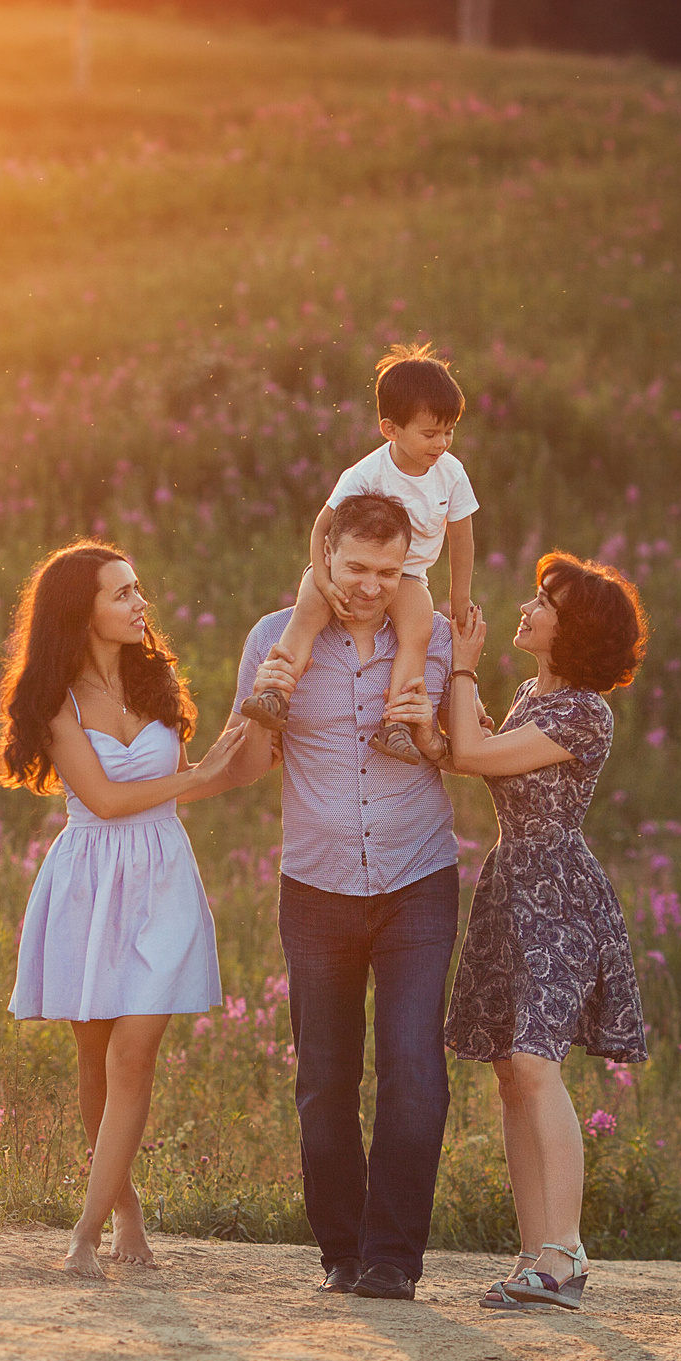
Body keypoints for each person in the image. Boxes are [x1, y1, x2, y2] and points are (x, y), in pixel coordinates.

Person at [0, 540, 264, 1279]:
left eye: (137, 589)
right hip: (89, 880)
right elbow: (108, 800)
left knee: (132, 1050)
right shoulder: (58, 702)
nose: (139, 603)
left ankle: (84, 1230)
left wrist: (248, 742)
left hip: (162, 877)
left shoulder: (155, 683)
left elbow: (194, 785)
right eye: (122, 593)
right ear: (82, 610)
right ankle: (124, 1205)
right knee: (94, 1058)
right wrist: (199, 773)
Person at [233, 493, 461, 1300]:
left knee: (413, 1067)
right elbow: (252, 758)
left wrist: (436, 729)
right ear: (325, 554)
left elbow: (462, 746)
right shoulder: (273, 639)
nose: (370, 586)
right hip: (317, 885)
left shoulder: (429, 642)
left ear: (407, 568)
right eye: (356, 567)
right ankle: (340, 1248)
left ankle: (393, 1257)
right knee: (325, 1076)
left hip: (418, 880)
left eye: (387, 571)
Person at [408, 552, 649, 1313]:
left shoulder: (583, 712)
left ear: (570, 630)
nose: (527, 607)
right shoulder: (526, 696)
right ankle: (536, 1252)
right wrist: (422, 727)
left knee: (536, 1064)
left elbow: (477, 754)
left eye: (544, 602)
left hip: (559, 895)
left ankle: (566, 1254)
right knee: (511, 1070)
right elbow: (462, 757)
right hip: (512, 886)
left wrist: (461, 670)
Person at [239, 344, 478, 766]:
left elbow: (461, 538)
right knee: (308, 610)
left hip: (406, 575)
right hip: (342, 566)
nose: (441, 443)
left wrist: (460, 598)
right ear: (390, 429)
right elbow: (321, 528)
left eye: (449, 432)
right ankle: (277, 692)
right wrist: (324, 577)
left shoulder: (451, 473)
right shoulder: (365, 473)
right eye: (429, 434)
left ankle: (397, 723)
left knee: (418, 629)